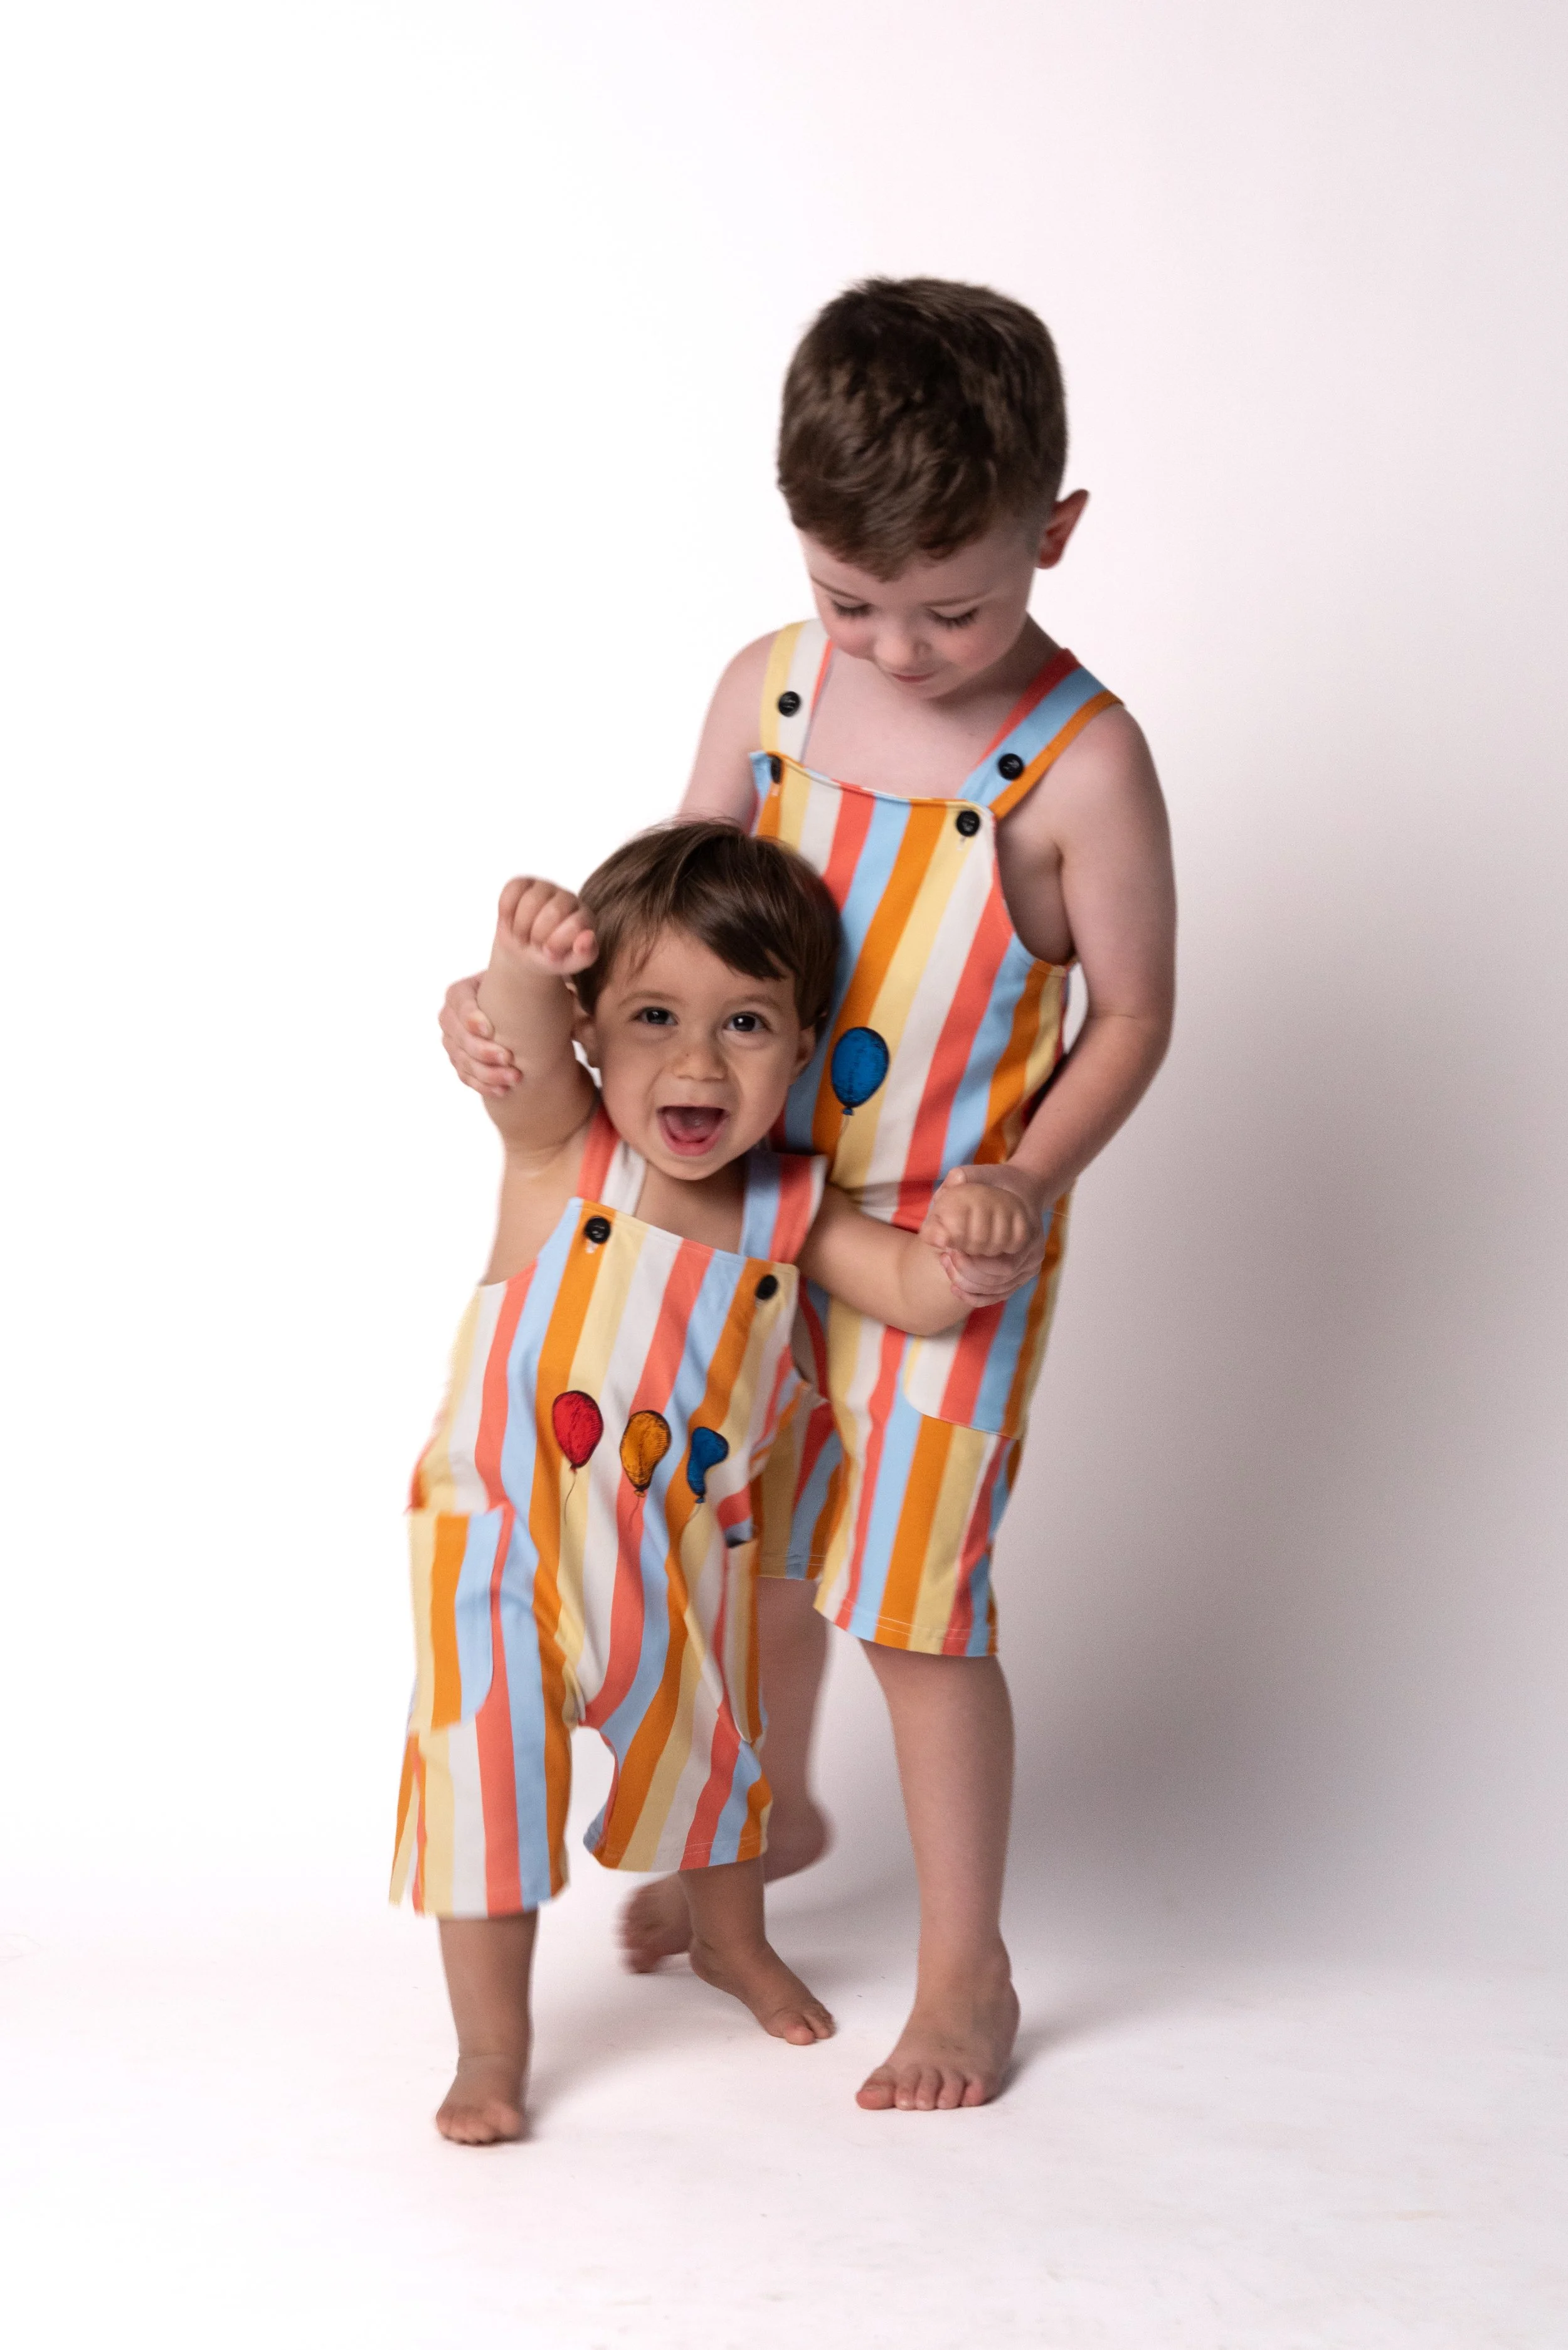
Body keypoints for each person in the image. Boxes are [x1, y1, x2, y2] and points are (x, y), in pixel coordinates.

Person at [440, 279, 1177, 2113]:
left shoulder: (1079, 766)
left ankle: (963, 1976)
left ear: (1053, 536)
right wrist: (529, 997)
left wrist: (1019, 1175)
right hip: (740, 1208)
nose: (903, 651)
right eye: (857, 600)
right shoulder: (769, 684)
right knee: (743, 1545)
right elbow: (672, 907)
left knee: (916, 1602)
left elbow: (1138, 1012)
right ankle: (750, 1835)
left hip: (941, 1232)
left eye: (959, 605)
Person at [396, 820, 1041, 2143]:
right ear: (590, 1032)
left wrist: (975, 1249)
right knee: (488, 1781)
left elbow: (913, 1292)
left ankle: (726, 1937)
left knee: (712, 1767)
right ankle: (490, 2049)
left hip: (681, 1552)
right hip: (501, 1538)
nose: (695, 1061)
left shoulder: (789, 1208)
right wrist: (525, 955)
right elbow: (511, 1050)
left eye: (746, 1024)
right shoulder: (563, 1153)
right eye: (651, 1016)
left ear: (803, 1049)